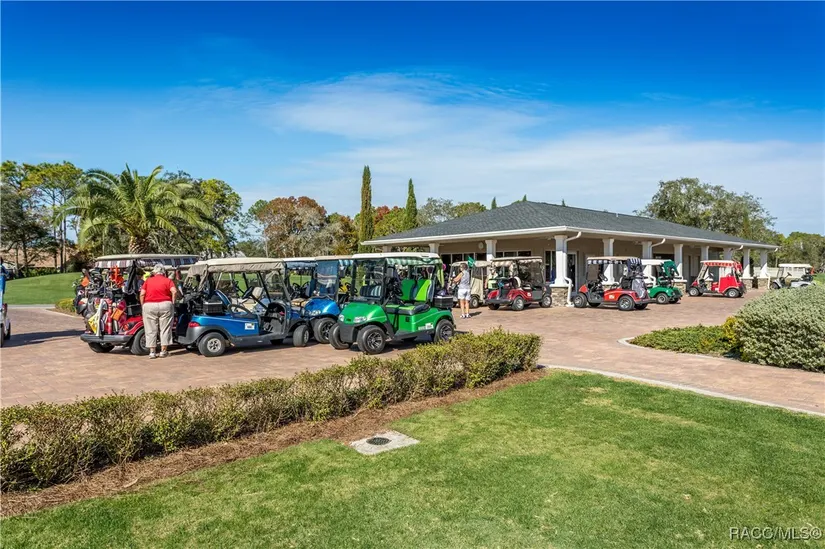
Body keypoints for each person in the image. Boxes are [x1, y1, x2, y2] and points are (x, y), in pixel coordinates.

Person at [139, 263, 178, 359]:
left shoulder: (148, 281)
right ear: (163, 272)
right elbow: (174, 291)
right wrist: (173, 303)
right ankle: (163, 351)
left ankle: (152, 352)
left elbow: (142, 294)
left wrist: (143, 305)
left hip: (149, 305)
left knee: (150, 329)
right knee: (165, 328)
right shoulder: (168, 280)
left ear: (154, 272)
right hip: (165, 304)